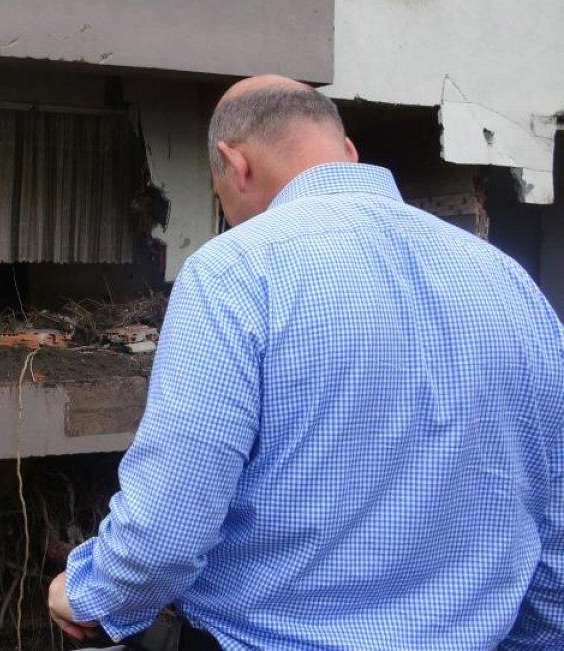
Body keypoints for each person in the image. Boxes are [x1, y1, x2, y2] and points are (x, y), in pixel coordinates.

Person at [48, 75, 564, 650]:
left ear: (234, 164)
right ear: (347, 152)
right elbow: (554, 513)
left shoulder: (234, 272)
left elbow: (171, 520)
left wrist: (94, 591)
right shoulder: (508, 280)